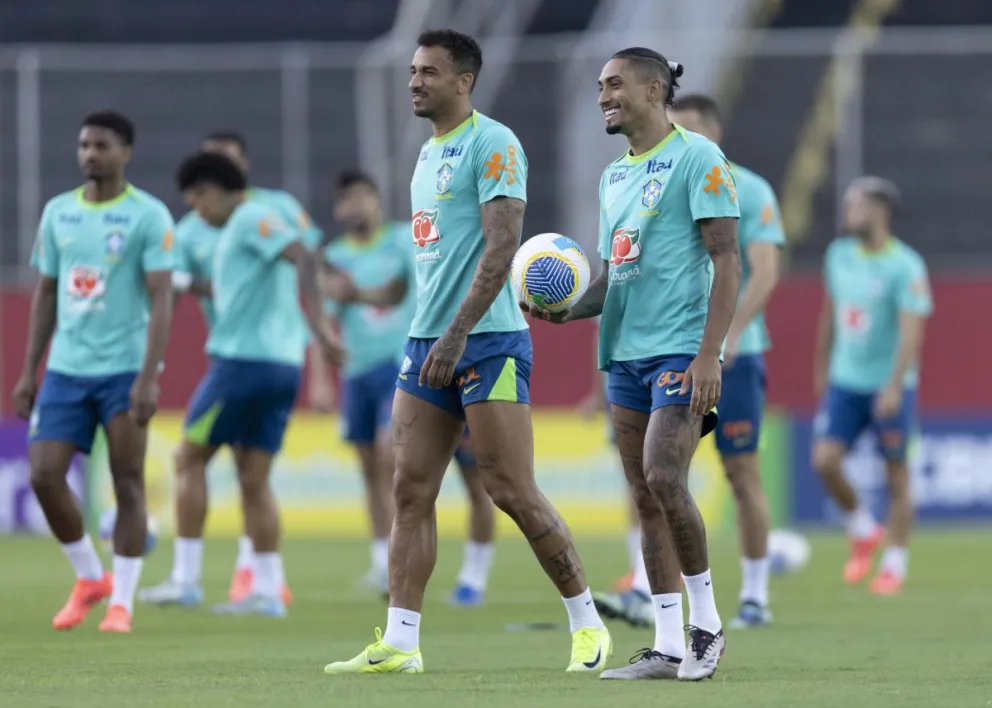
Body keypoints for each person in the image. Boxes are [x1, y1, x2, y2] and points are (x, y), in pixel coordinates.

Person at [323, 29, 610, 676]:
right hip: (426, 342)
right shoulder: (427, 155)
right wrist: (435, 336)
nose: (414, 82)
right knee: (409, 488)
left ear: (464, 81)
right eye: (412, 71)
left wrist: (456, 336)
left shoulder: (494, 142)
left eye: (429, 72)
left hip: (487, 343)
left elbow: (502, 245)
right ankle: (401, 642)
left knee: (509, 488)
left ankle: (587, 623)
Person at [525, 48, 741, 681]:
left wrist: (708, 355)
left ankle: (708, 627)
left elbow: (727, 261)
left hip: (680, 349)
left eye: (614, 85)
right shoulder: (612, 176)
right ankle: (667, 642)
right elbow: (614, 276)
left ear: (654, 90)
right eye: (598, 87)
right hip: (624, 354)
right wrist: (569, 309)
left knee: (664, 477)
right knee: (645, 497)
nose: (603, 96)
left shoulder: (697, 157)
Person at [595, 94, 785, 629]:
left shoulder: (745, 186)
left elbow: (758, 269)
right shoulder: (626, 176)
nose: (682, 133)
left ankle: (752, 596)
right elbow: (624, 272)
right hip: (643, 354)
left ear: (714, 132)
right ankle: (652, 603)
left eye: (694, 126)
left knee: (739, 474)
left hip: (724, 351)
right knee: (654, 481)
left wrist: (725, 340)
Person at [139, 132, 321, 608]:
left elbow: (302, 255)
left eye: (196, 199)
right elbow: (235, 286)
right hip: (282, 364)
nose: (196, 210)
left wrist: (321, 326)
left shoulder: (251, 217)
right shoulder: (245, 224)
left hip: (243, 363)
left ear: (212, 190)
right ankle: (266, 590)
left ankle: (186, 579)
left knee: (188, 457)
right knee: (253, 476)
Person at [11, 111, 175, 634]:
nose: (89, 154)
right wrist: (28, 370)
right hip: (66, 368)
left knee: (127, 480)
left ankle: (121, 602)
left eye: (101, 145)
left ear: (125, 151)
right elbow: (46, 292)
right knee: (43, 473)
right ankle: (89, 577)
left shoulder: (148, 215)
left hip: (124, 370)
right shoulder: (58, 213)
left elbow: (162, 297)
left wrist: (148, 378)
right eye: (84, 145)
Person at [313, 169, 498, 605]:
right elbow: (324, 320)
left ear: (378, 201)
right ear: (339, 209)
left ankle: (474, 574)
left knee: (468, 476)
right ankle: (384, 564)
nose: (357, 207)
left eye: (364, 197)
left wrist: (357, 293)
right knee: (373, 472)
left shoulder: (405, 240)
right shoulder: (335, 255)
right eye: (348, 200)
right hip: (357, 372)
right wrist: (321, 377)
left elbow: (394, 294)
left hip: (411, 367)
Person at [812, 176, 931, 596]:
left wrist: (895, 386)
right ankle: (863, 528)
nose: (848, 213)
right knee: (824, 460)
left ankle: (895, 563)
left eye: (856, 205)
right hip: (846, 381)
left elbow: (911, 331)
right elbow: (831, 311)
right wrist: (821, 366)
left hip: (889, 386)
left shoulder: (906, 265)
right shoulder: (838, 255)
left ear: (879, 210)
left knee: (897, 476)